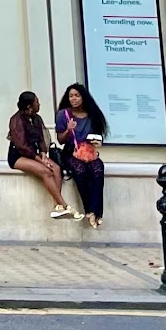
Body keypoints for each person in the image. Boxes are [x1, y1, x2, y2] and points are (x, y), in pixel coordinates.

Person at [7, 90, 72, 217]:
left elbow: (42, 138)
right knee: (45, 171)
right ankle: (64, 204)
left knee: (56, 169)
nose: (39, 104)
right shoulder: (16, 120)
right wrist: (39, 159)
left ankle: (57, 207)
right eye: (36, 102)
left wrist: (43, 153)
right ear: (29, 106)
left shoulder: (37, 119)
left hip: (36, 154)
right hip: (19, 156)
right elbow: (22, 146)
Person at [56, 81, 108, 229]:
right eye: (71, 96)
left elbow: (98, 135)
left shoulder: (92, 114)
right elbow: (60, 140)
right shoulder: (63, 114)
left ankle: (97, 212)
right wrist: (68, 129)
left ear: (83, 97)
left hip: (89, 150)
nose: (74, 99)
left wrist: (96, 142)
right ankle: (90, 211)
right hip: (72, 151)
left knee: (98, 171)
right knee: (80, 171)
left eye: (77, 96)